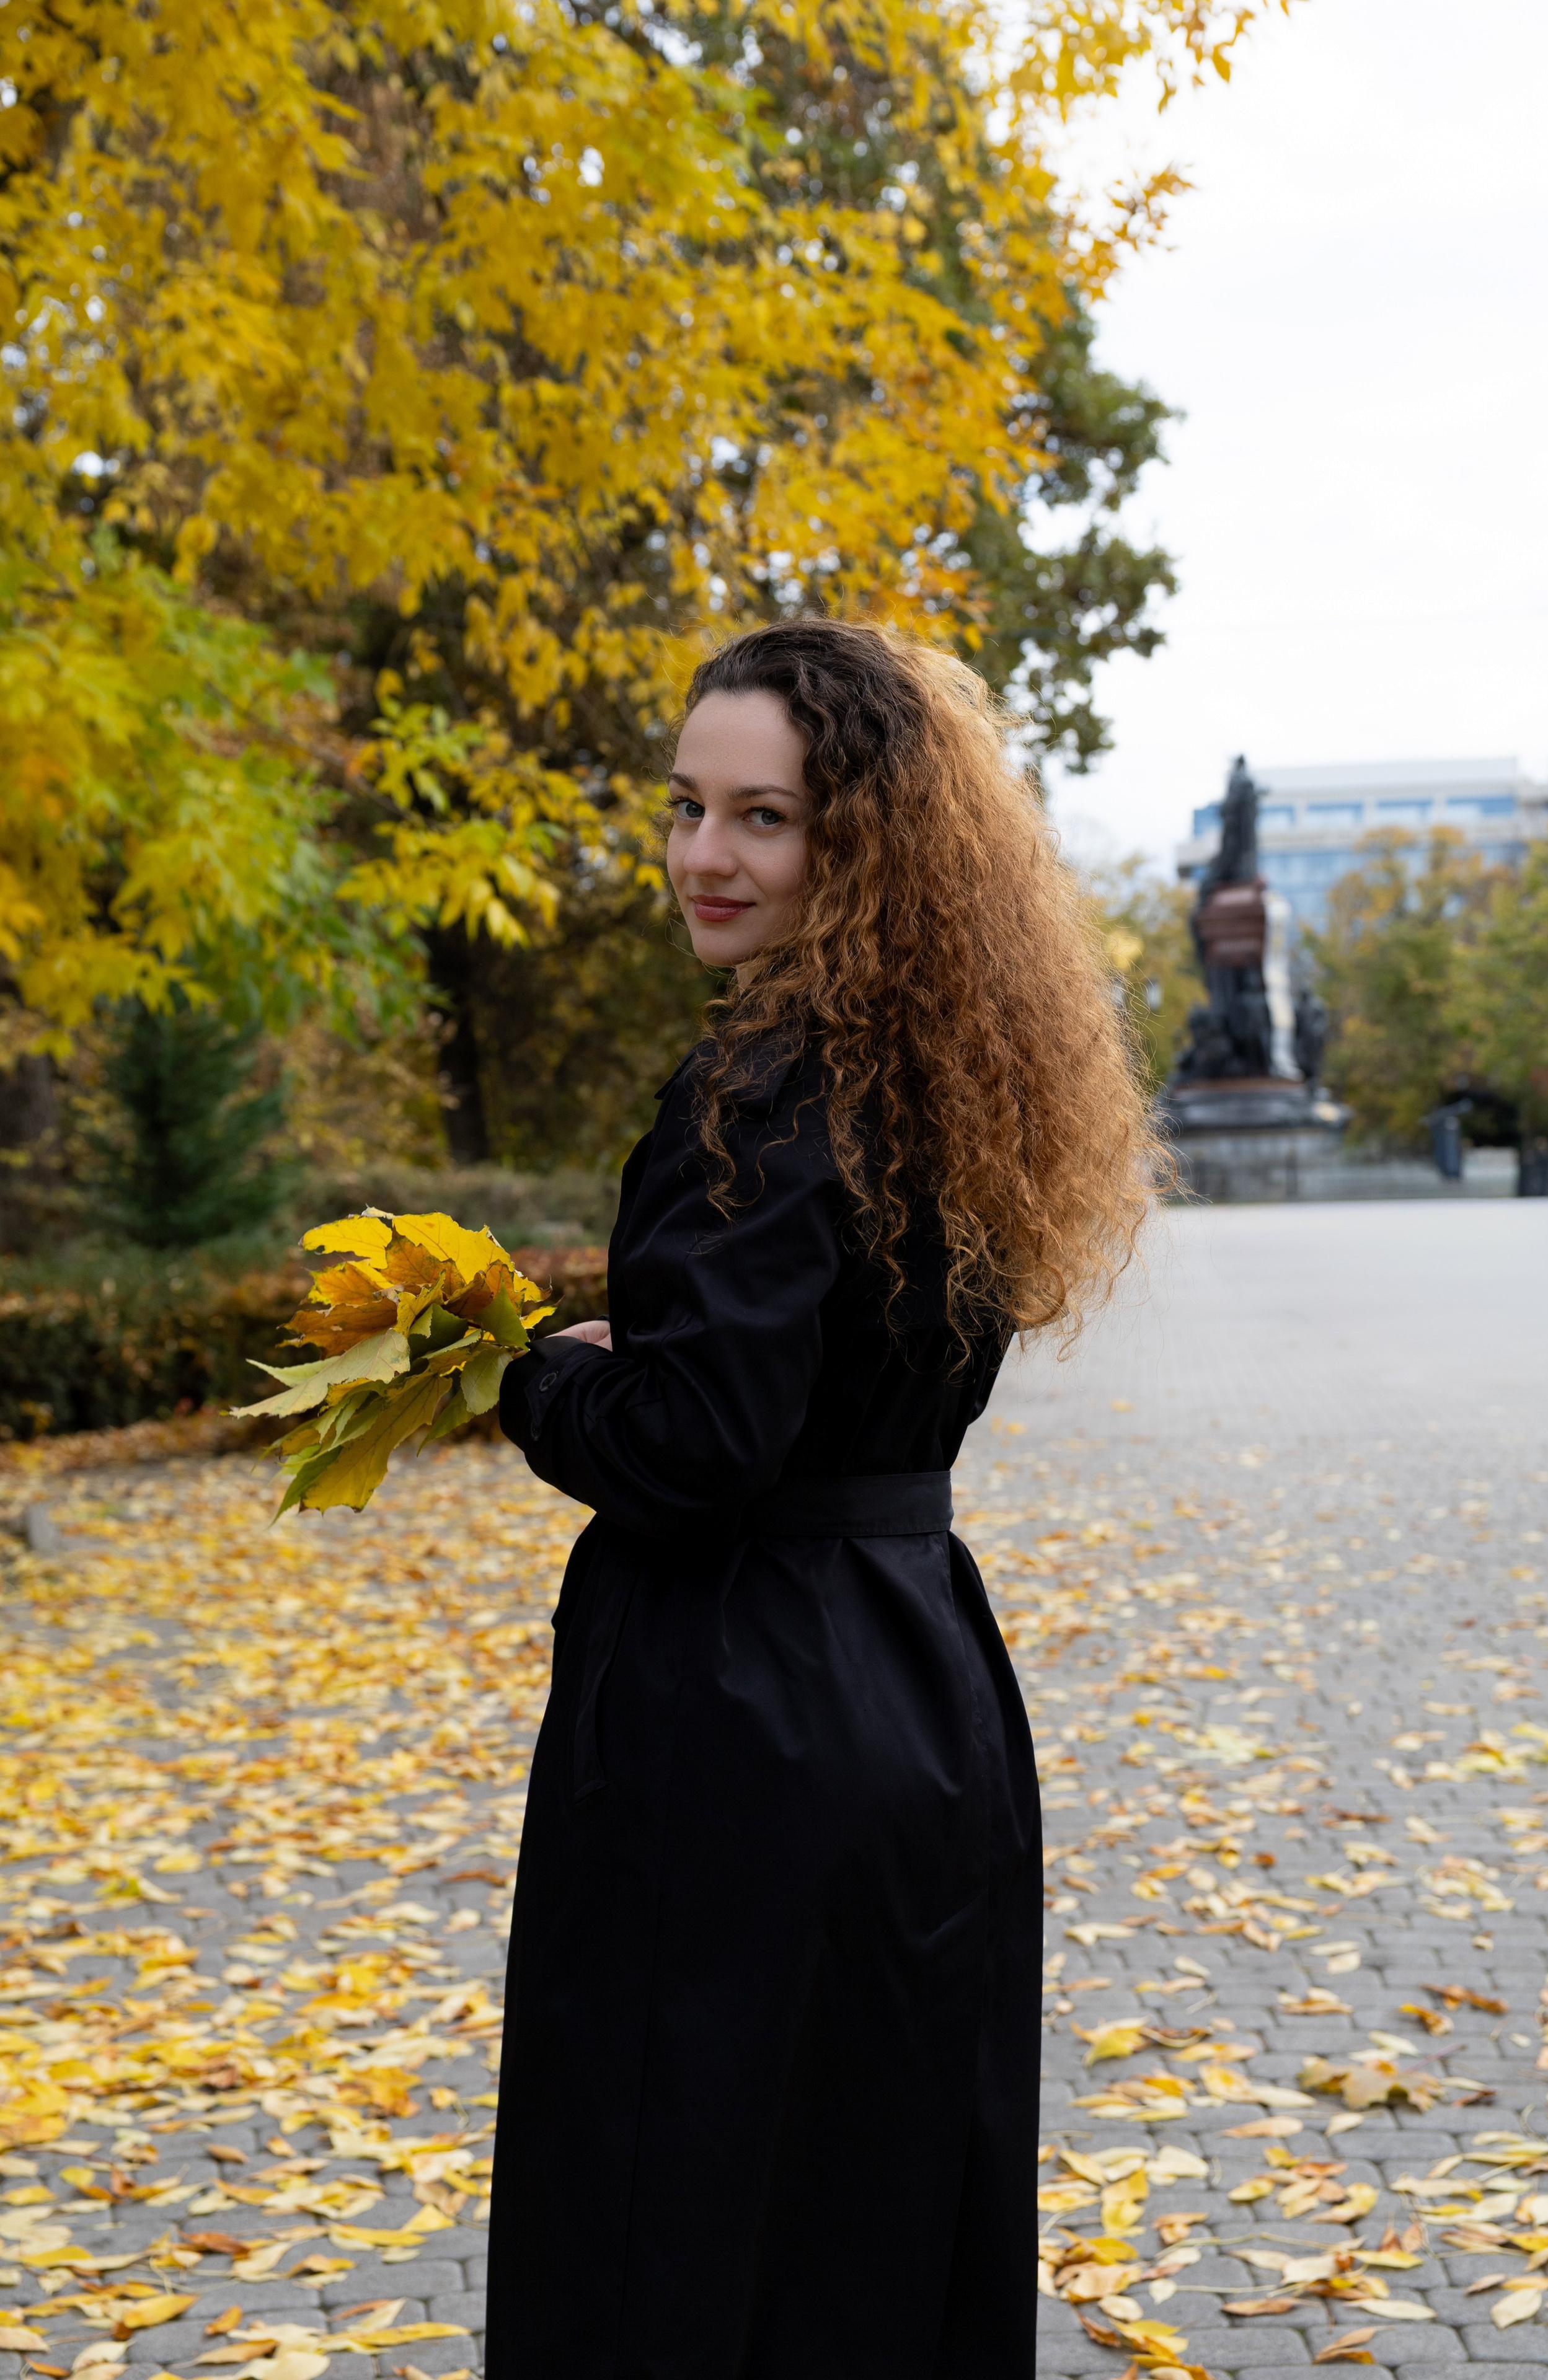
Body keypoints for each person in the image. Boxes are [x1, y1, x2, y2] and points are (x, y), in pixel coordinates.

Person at [485, 619, 1154, 2378]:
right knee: (873, 2201)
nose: (706, 857)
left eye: (764, 818)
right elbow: (823, 1379)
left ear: (861, 841)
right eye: (690, 808)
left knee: (678, 2207)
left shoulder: (764, 1082)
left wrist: (545, 1376)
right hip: (916, 1680)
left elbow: (698, 1444)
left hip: (742, 1709)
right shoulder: (955, 1079)